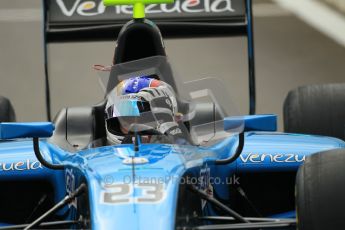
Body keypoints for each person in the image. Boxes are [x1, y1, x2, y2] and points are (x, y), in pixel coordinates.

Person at [104, 76, 190, 145]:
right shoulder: (99, 161)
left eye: (146, 120)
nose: (136, 128)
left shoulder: (185, 156)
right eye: (128, 121)